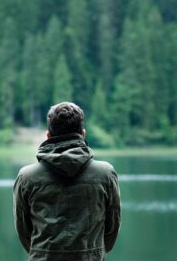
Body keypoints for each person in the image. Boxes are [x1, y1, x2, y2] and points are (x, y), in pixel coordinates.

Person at [13, 102, 121, 261]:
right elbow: (112, 227)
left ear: (48, 136)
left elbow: (24, 230)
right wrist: (93, 253)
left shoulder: (26, 177)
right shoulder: (106, 173)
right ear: (83, 134)